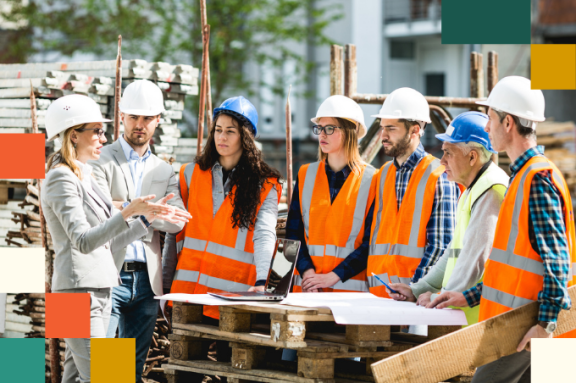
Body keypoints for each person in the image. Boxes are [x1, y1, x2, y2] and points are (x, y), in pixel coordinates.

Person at [429, 76, 576, 383]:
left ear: (508, 123)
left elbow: (557, 261)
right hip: (527, 324)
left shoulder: (536, 179)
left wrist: (545, 326)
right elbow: (514, 270)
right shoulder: (524, 177)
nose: (487, 128)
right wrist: (468, 296)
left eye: (491, 119)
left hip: (529, 327)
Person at [40, 94, 189, 383]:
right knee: (106, 376)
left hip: (99, 290)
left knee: (79, 377)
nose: (103, 137)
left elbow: (108, 242)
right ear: (74, 136)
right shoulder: (60, 178)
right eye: (96, 130)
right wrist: (126, 212)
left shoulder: (85, 176)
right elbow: (83, 241)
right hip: (75, 294)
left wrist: (145, 217)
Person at [90, 80, 188, 382]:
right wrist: (146, 209)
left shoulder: (164, 170)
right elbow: (96, 212)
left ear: (158, 120)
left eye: (147, 118)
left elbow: (177, 221)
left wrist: (130, 208)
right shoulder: (100, 159)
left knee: (129, 370)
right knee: (102, 367)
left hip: (146, 281)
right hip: (109, 275)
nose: (139, 125)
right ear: (122, 116)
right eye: (133, 117)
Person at [163, 96, 282, 320]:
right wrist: (166, 286)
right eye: (218, 130)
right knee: (98, 344)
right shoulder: (190, 174)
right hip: (188, 294)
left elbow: (265, 235)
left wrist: (260, 281)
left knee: (104, 345)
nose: (221, 137)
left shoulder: (264, 185)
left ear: (245, 137)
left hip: (231, 298)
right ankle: (90, 354)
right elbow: (174, 235)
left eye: (230, 131)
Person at [386, 111, 509, 326]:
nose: (442, 161)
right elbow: (453, 254)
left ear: (472, 156)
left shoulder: (491, 190)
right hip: (470, 318)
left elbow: (474, 261)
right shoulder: (472, 189)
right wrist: (418, 290)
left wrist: (439, 298)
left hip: (485, 322)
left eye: (448, 153)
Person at [367, 87, 460, 298]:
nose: (383, 135)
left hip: (418, 299)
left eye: (391, 128)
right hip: (379, 295)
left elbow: (441, 245)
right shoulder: (383, 175)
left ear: (415, 130)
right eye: (382, 128)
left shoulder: (439, 175)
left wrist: (415, 289)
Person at [287, 95, 376, 292]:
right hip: (307, 291)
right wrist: (307, 272)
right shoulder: (305, 174)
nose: (321, 135)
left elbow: (372, 243)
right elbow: (293, 234)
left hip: (350, 296)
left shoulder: (373, 180)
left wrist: (334, 277)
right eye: (319, 128)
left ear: (350, 131)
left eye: (329, 128)